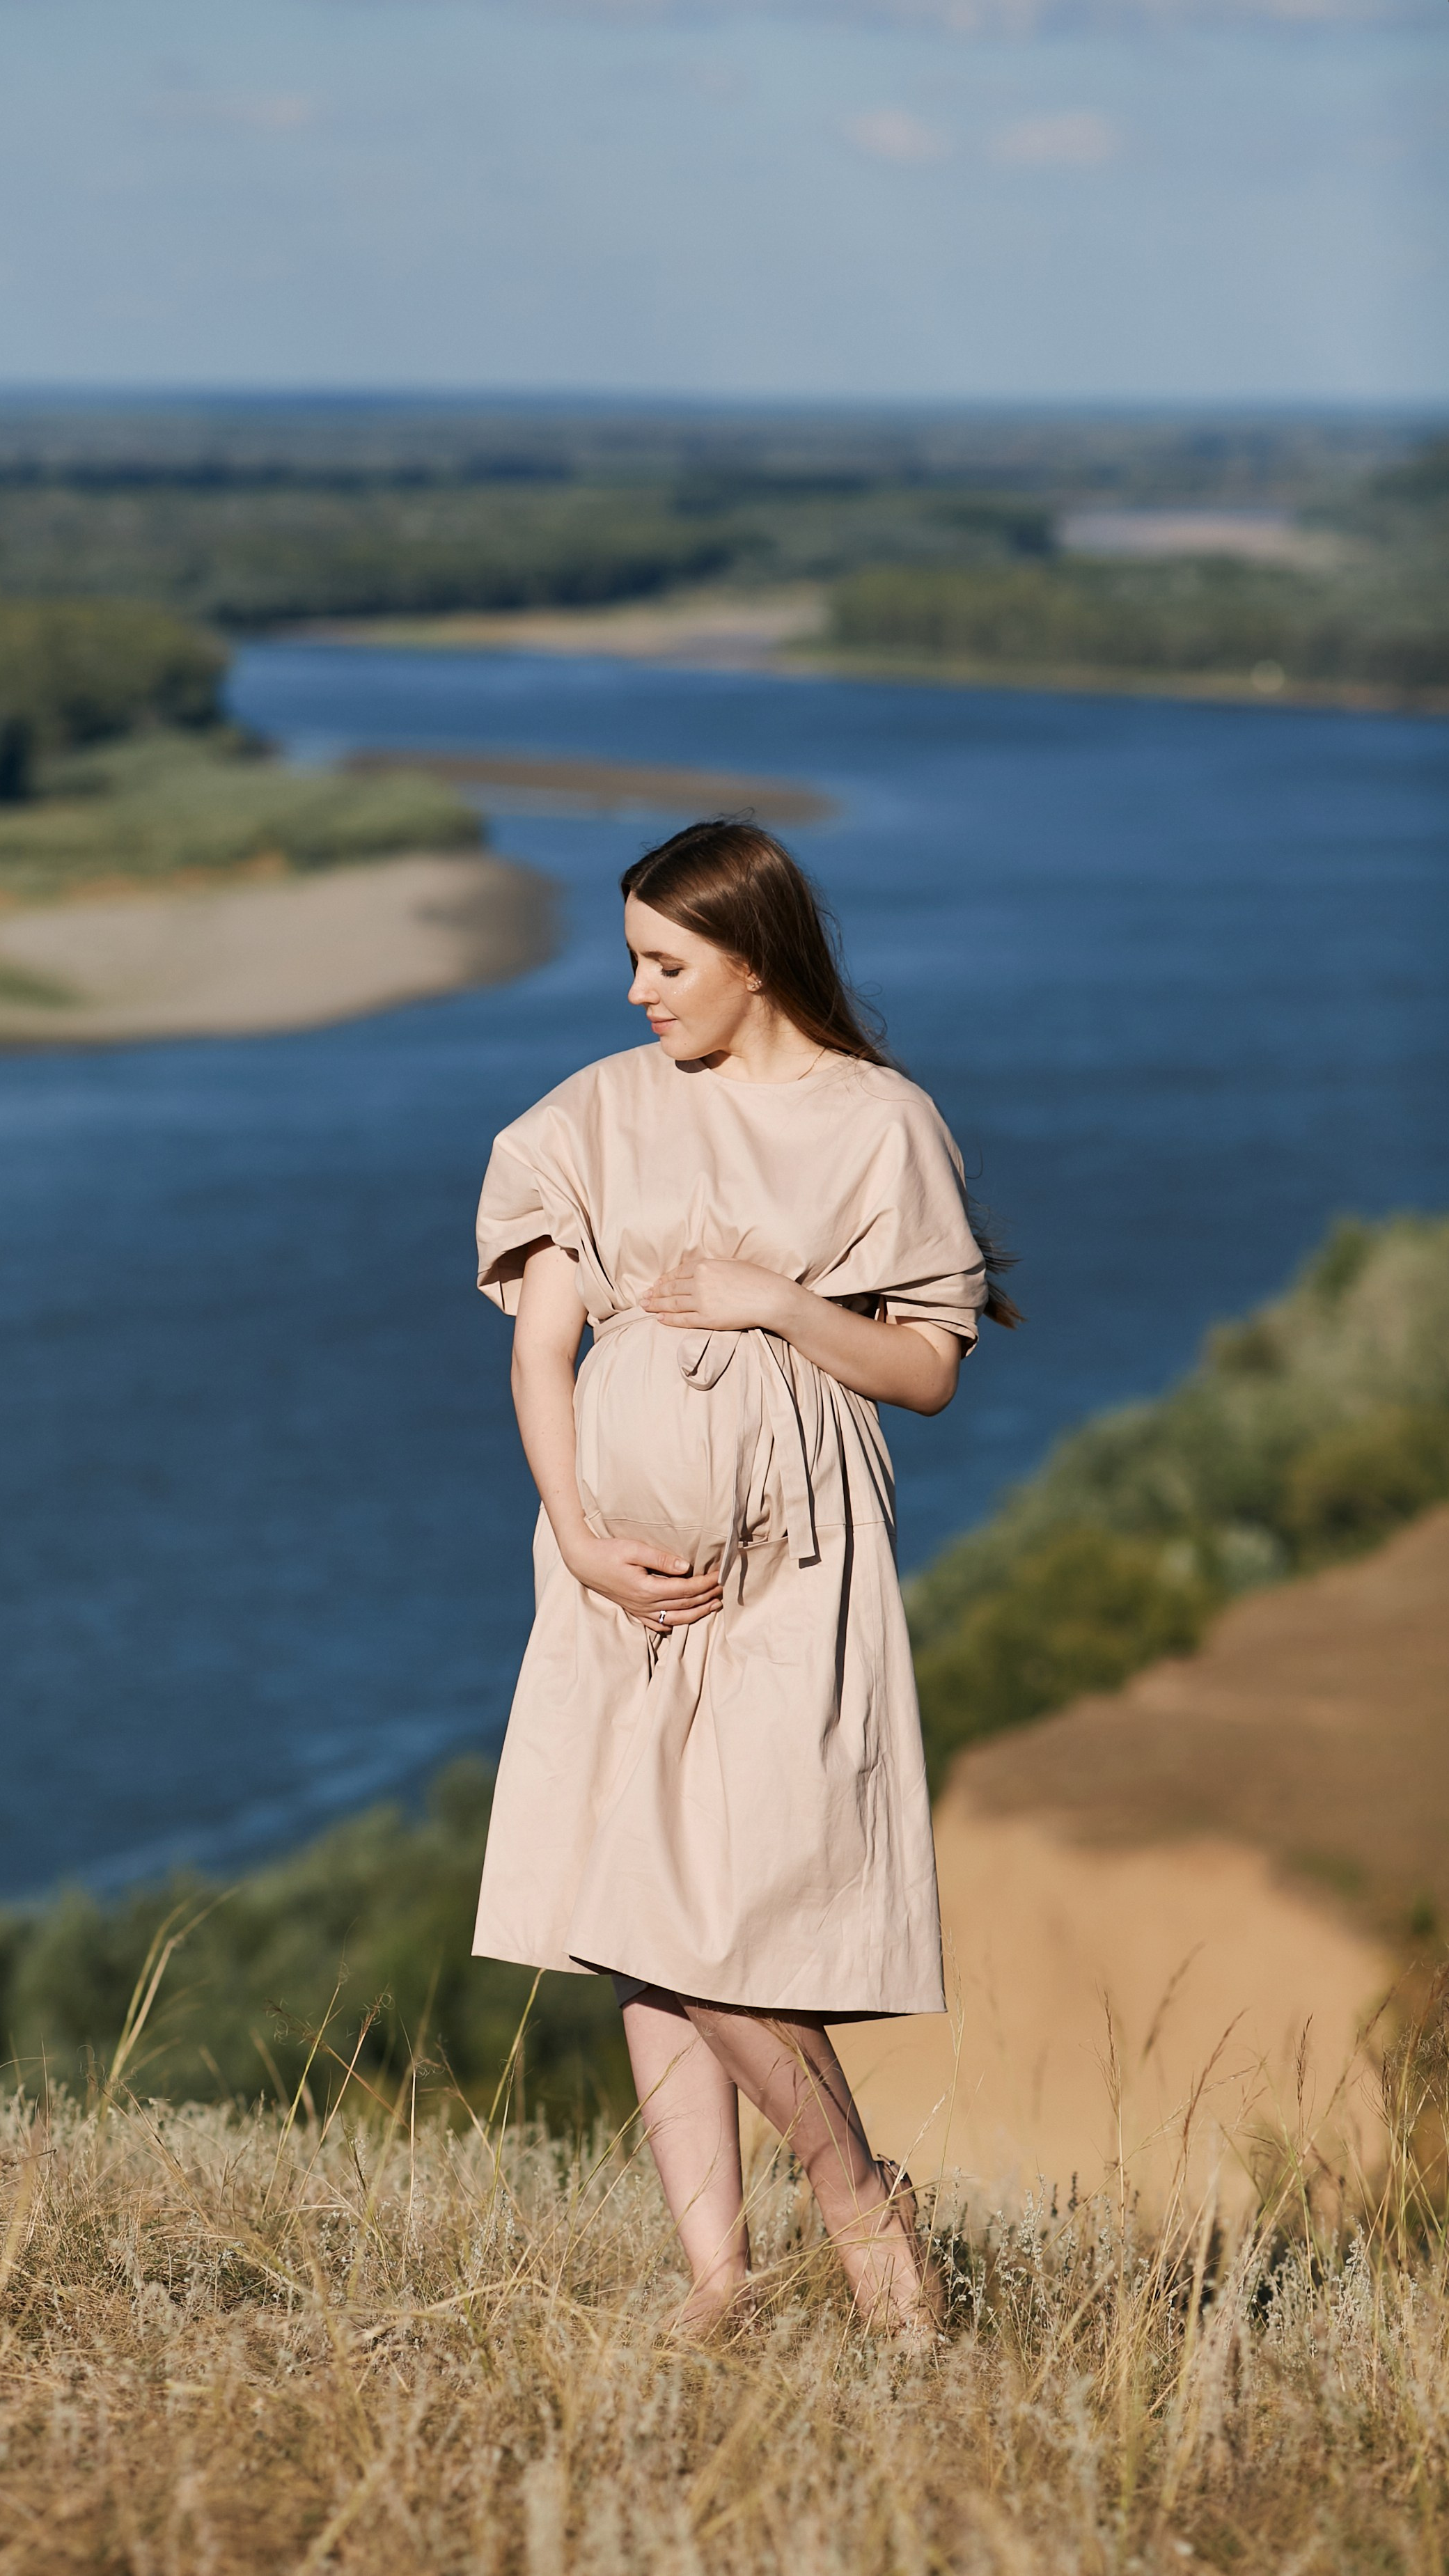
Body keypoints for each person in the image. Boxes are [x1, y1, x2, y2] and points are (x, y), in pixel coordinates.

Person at [471, 819, 1017, 2337]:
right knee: (636, 1913)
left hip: (794, 1570)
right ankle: (720, 2273)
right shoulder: (595, 1112)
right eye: (631, 959)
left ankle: (858, 2198)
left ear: (754, 958)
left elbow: (923, 1371)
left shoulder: (878, 1123)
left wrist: (778, 1301)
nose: (636, 991)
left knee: (716, 1918)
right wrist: (579, 1532)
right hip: (609, 1571)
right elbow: (541, 1346)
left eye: (665, 961)